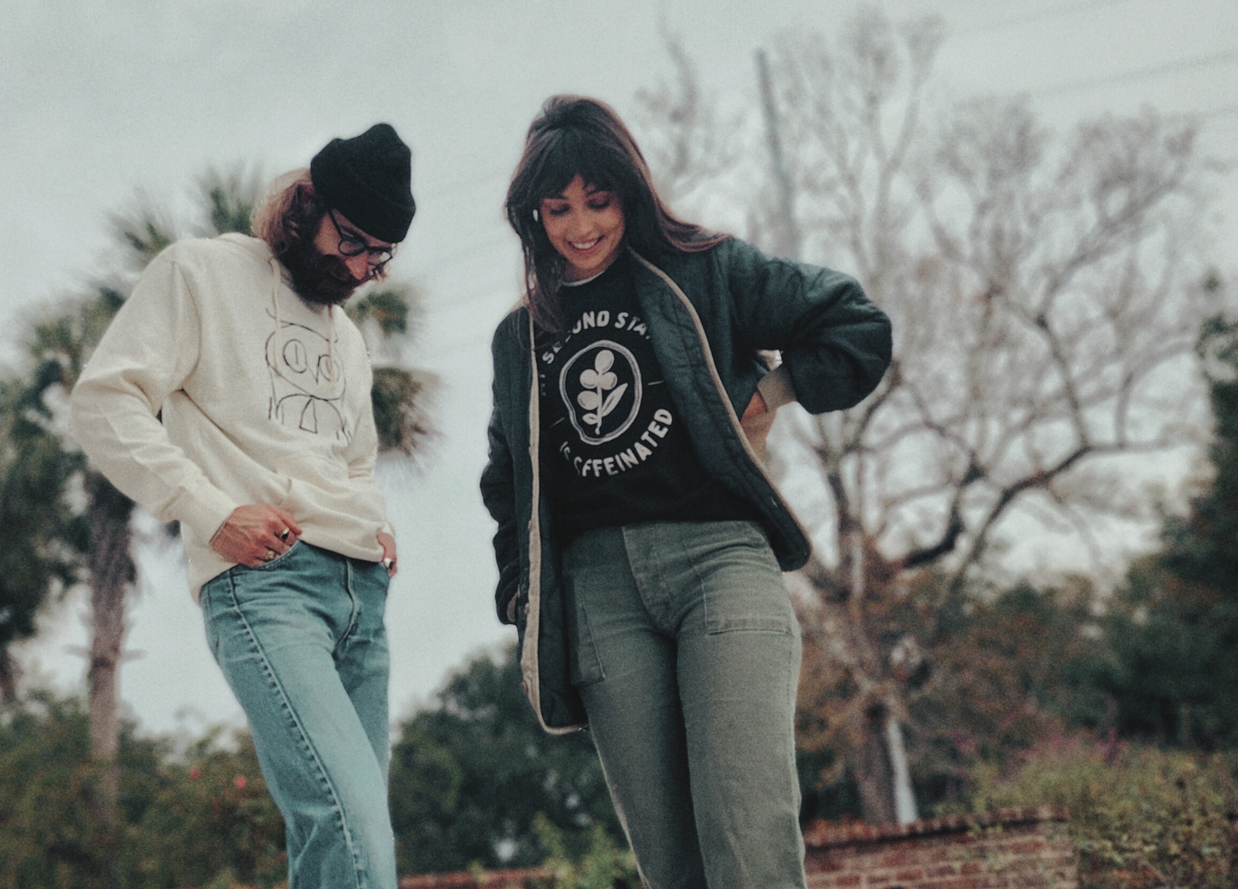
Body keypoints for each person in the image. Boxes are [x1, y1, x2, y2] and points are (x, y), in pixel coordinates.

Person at [480, 96, 891, 888]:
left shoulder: (707, 269)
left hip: (718, 561)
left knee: (747, 832)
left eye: (599, 201)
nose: (581, 226)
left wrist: (770, 393)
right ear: (534, 214)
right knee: (673, 866)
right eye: (558, 209)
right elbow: (508, 480)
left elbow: (855, 323)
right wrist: (522, 596)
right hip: (600, 594)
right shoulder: (517, 337)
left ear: (629, 192)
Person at [71, 123, 415, 889]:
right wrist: (209, 508)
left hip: (362, 593)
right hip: (269, 583)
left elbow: (354, 455)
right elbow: (105, 401)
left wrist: (376, 520)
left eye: (378, 255)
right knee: (350, 823)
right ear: (308, 204)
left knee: (343, 841)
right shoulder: (200, 273)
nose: (360, 266)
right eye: (352, 240)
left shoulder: (348, 338)